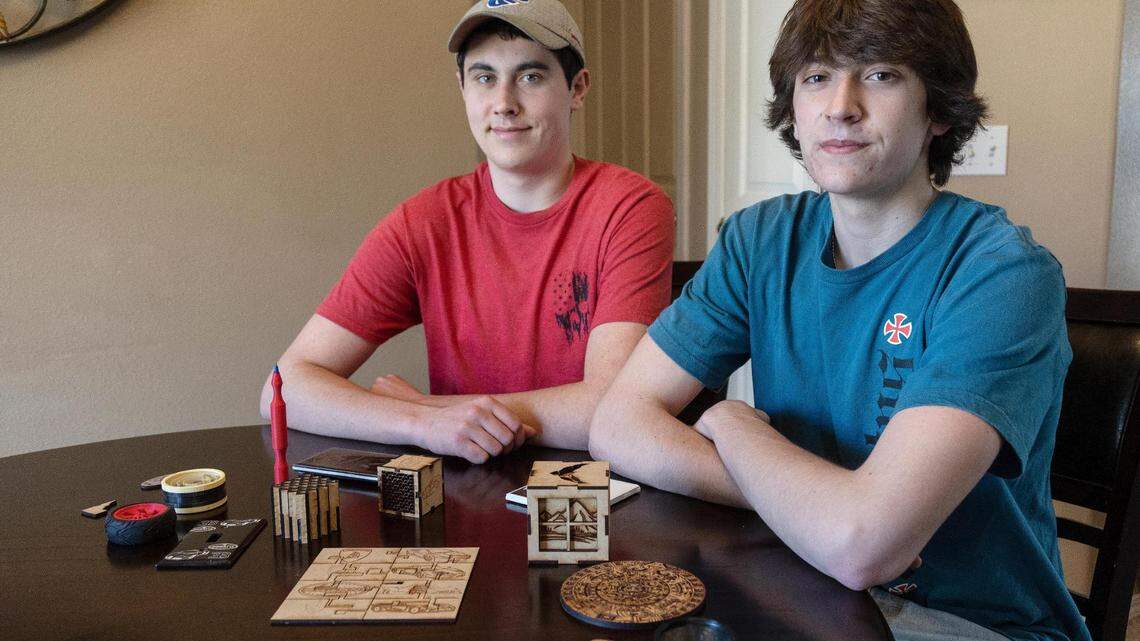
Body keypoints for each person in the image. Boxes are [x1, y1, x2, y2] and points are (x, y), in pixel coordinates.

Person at [589, 1, 1088, 639]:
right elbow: (617, 423)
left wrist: (732, 426)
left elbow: (862, 547)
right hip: (800, 581)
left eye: (880, 75)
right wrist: (809, 506)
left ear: (937, 110)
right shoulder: (759, 241)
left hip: (964, 619)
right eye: (817, 77)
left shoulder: (1002, 273)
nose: (840, 106)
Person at [261, 0, 674, 464]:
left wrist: (429, 404)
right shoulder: (423, 222)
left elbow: (614, 407)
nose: (504, 103)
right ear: (462, 88)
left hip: (590, 488)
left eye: (530, 76)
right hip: (463, 484)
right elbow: (284, 387)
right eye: (484, 77)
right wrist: (419, 421)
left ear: (577, 88)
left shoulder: (630, 207)